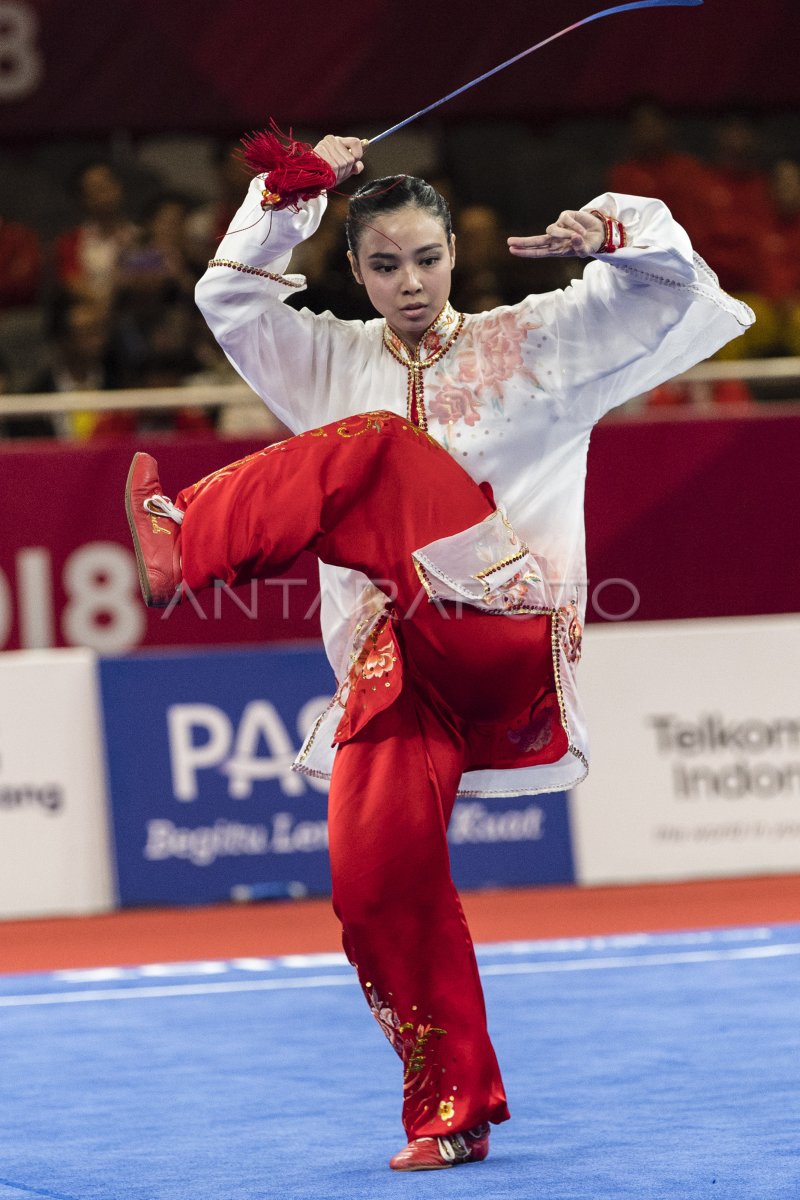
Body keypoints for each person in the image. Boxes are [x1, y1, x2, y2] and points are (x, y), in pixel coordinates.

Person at [125, 132, 753, 1171]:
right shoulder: (326, 358)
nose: (407, 282)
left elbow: (674, 282)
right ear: (355, 271)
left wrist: (604, 230)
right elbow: (228, 299)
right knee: (373, 884)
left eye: (426, 258)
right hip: (393, 667)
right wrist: (291, 198)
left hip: (500, 631)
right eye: (382, 264)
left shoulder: (540, 342)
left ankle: (188, 535)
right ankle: (451, 1110)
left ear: (455, 255)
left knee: (378, 449)